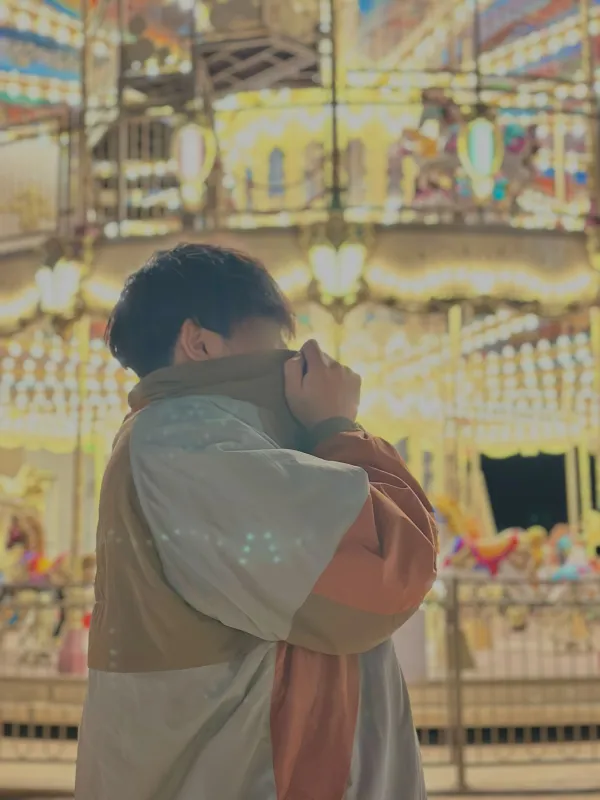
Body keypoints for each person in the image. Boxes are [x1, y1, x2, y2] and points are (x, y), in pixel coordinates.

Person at [75, 243, 437, 800]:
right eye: (273, 346)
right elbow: (388, 570)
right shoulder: (185, 443)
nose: (293, 367)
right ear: (199, 343)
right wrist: (337, 428)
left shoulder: (186, 442)